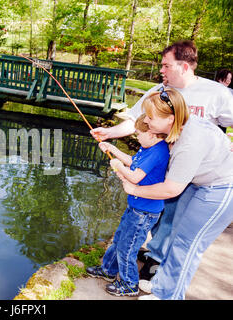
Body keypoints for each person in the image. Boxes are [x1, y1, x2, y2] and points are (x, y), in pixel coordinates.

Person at [90, 40, 233, 281]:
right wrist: (109, 133)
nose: (161, 70)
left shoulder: (217, 93)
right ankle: (152, 256)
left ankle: (156, 261)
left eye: (166, 66)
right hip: (164, 166)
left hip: (204, 174)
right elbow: (136, 121)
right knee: (162, 212)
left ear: (185, 67)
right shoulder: (159, 92)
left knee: (177, 221)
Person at [118, 88, 233, 300]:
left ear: (170, 118)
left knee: (187, 244)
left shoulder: (189, 142)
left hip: (222, 188)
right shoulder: (176, 128)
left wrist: (134, 189)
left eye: (151, 118)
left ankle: (168, 296)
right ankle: (162, 285)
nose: (147, 122)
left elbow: (171, 189)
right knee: (177, 235)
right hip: (198, 182)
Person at [86, 114, 170, 297]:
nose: (137, 138)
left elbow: (134, 177)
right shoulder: (148, 147)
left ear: (153, 134)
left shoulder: (158, 151)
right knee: (119, 239)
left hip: (145, 211)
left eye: (139, 134)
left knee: (128, 247)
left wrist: (118, 167)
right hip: (135, 206)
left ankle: (129, 283)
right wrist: (111, 149)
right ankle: (108, 270)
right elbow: (134, 162)